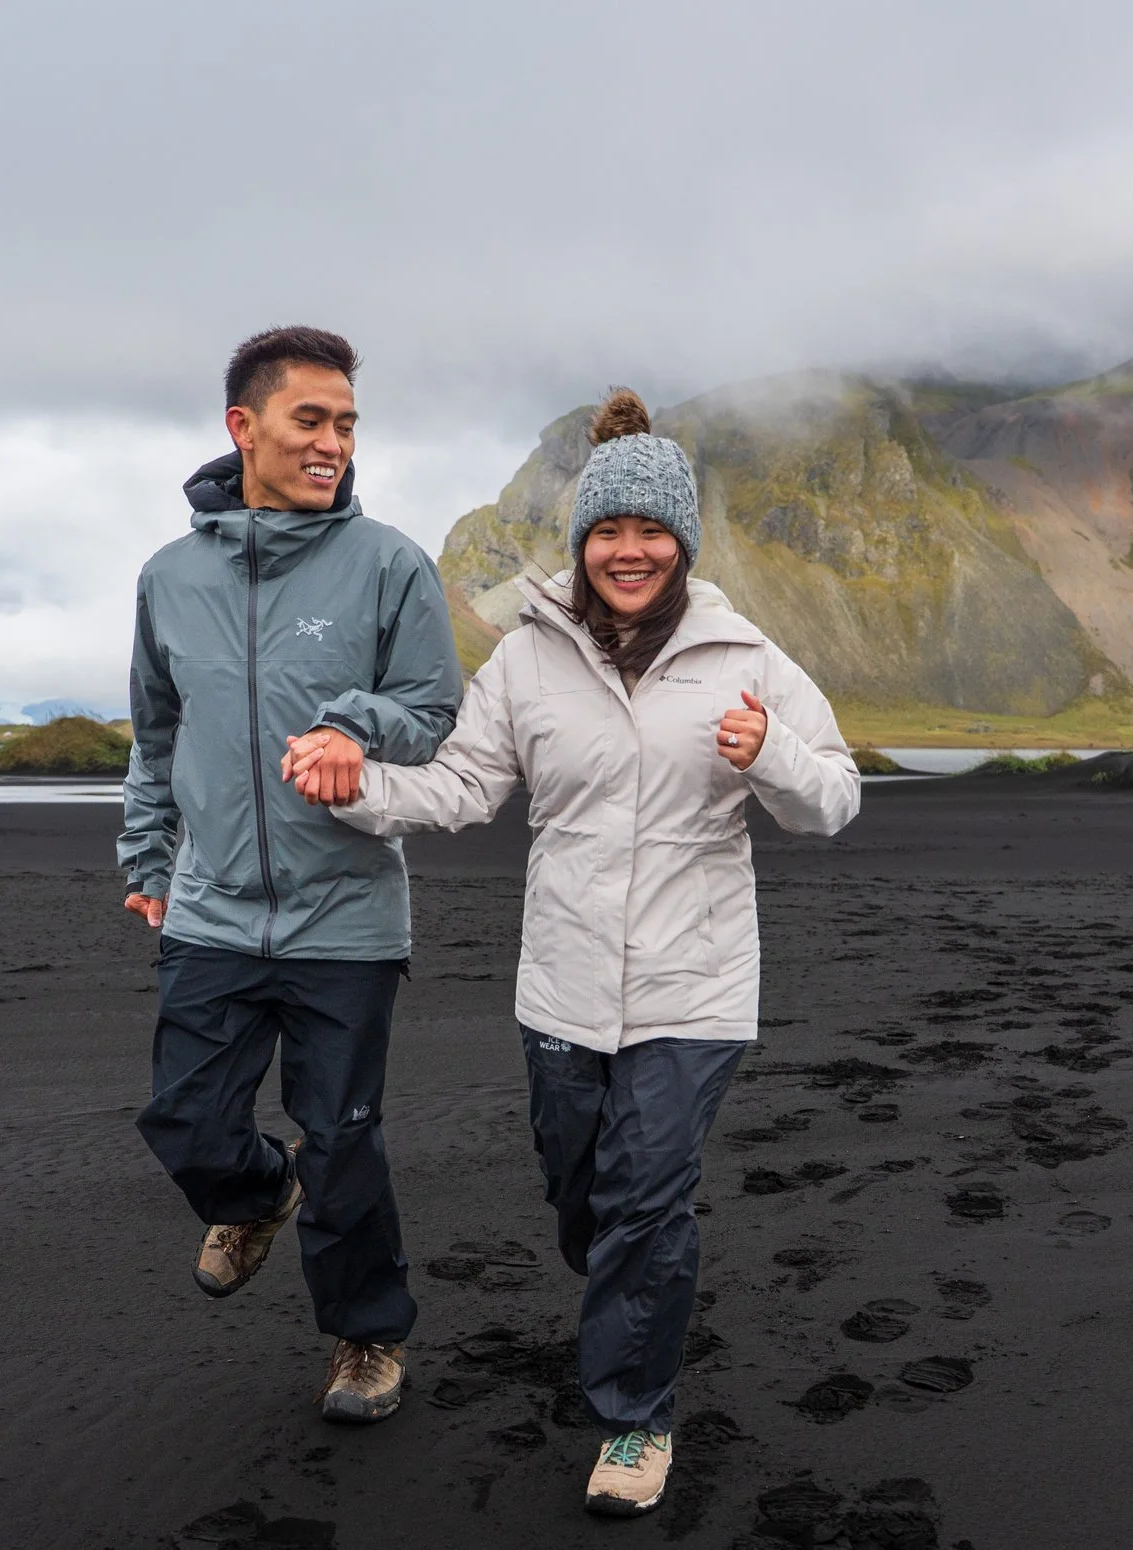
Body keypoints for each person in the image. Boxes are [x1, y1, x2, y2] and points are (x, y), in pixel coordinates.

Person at [300, 389, 861, 1514]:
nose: (629, 550)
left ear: (682, 543)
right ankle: (622, 1286)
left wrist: (771, 755)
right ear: (582, 542)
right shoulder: (526, 657)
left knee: (648, 1200)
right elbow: (462, 786)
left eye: (651, 532)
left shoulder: (745, 654)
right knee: (583, 1198)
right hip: (559, 989)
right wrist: (360, 787)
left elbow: (834, 798)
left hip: (693, 990)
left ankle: (632, 1418)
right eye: (609, 531)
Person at [119, 325, 463, 1423]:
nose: (331, 443)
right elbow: (154, 728)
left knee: (345, 1131)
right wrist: (146, 855)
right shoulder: (169, 577)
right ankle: (258, 1192)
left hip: (347, 914)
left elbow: (432, 711)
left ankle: (365, 1339)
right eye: (309, 420)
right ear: (244, 427)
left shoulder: (390, 563)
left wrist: (353, 724)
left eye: (347, 423)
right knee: (184, 1116)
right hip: (213, 902)